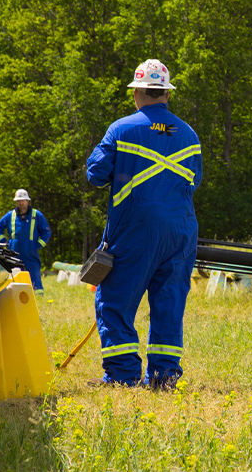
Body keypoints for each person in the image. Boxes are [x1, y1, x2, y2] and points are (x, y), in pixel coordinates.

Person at [85, 59, 201, 388]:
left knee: (115, 300)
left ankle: (123, 377)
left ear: (137, 92)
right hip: (180, 232)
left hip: (135, 230)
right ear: (166, 94)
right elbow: (194, 180)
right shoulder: (190, 135)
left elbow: (95, 175)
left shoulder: (121, 129)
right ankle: (164, 378)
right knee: (169, 303)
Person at [0, 189, 52, 292]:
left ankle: (38, 297)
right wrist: (4, 241)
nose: (21, 203)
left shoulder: (36, 215)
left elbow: (46, 232)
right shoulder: (10, 215)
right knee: (14, 277)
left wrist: (38, 245)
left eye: (23, 200)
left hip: (31, 252)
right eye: (19, 201)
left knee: (34, 276)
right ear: (16, 202)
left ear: (27, 201)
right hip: (13, 252)